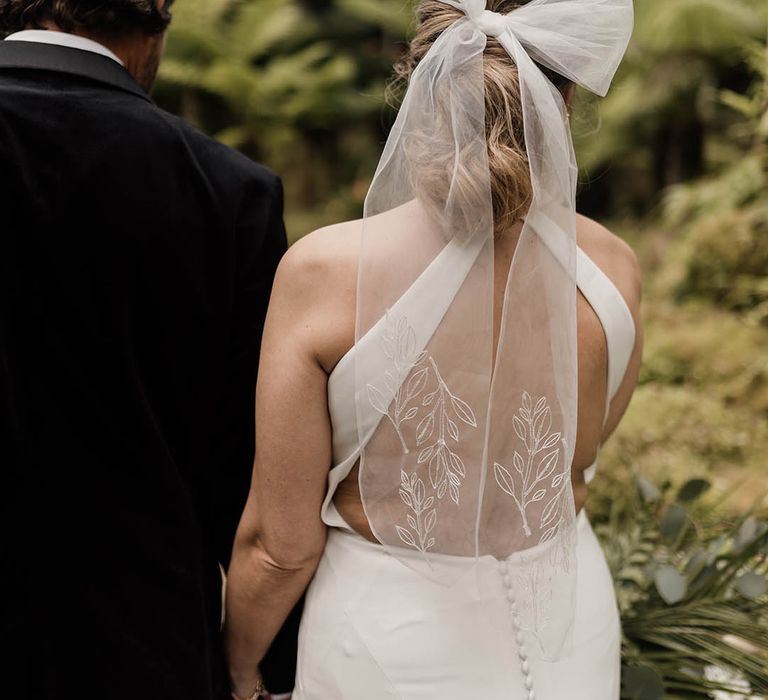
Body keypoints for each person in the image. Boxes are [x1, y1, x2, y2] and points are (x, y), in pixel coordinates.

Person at [225, 0, 641, 698]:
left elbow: (280, 546)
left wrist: (238, 667)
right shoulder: (615, 268)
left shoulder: (323, 275)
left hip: (386, 648)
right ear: (563, 100)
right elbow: (584, 448)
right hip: (571, 627)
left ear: (422, 84)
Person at [0, 2, 287, 698]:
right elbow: (249, 478)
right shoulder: (230, 192)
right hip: (136, 648)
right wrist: (265, 670)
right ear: (155, 26)